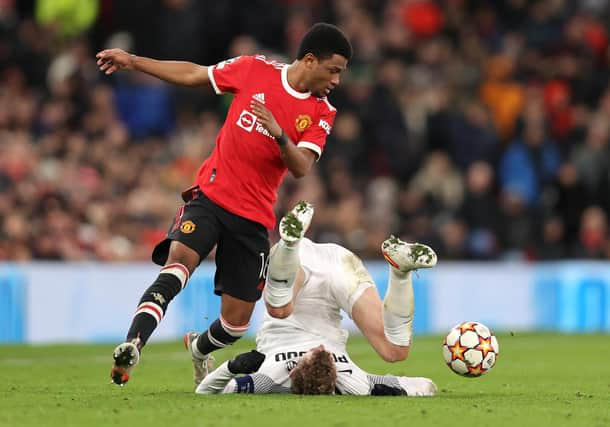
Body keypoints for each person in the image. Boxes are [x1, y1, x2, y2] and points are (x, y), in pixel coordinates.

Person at [96, 23, 352, 386]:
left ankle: (199, 347)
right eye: (334, 70)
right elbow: (194, 74)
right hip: (211, 196)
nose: (337, 80)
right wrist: (134, 62)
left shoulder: (321, 112)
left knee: (235, 324)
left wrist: (280, 134)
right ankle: (133, 343)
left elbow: (302, 167)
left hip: (253, 218)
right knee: (179, 264)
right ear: (310, 60)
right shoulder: (255, 69)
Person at [193, 202, 438, 396]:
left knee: (396, 351)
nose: (320, 350)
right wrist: (233, 366)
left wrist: (233, 368)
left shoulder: (353, 382)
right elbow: (208, 387)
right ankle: (399, 271)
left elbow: (421, 386)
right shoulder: (271, 375)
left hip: (308, 267)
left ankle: (399, 274)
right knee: (281, 309)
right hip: (326, 266)